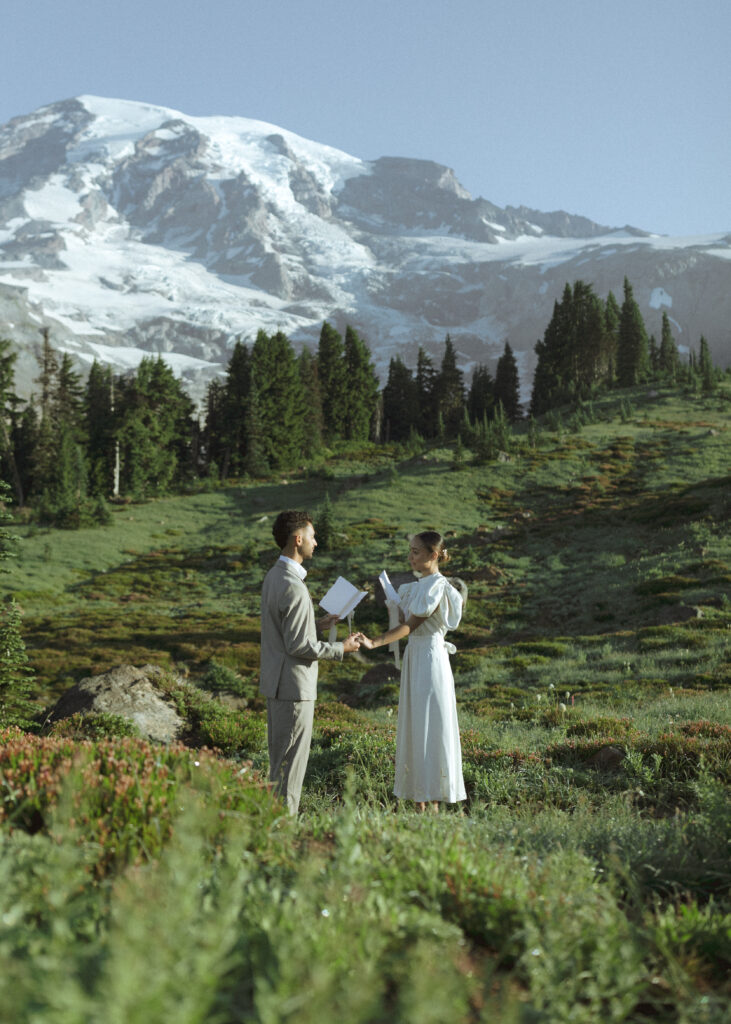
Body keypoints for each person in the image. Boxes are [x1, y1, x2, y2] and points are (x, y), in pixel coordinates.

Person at [260, 509, 360, 814]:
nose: (315, 543)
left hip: (277, 686)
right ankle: (283, 833)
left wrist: (316, 624)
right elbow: (299, 645)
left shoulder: (274, 577)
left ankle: (272, 826)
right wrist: (341, 648)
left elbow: (283, 631)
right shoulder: (295, 587)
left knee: (278, 766)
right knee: (290, 771)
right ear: (298, 538)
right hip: (294, 688)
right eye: (312, 537)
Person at [356, 531, 466, 812]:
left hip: (430, 659)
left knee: (430, 725)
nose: (411, 557)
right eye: (410, 551)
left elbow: (411, 626)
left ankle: (432, 801)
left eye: (416, 552)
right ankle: (421, 800)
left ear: (433, 555)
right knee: (417, 725)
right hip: (416, 657)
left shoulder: (437, 587)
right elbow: (406, 620)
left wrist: (375, 641)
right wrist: (394, 604)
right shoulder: (416, 587)